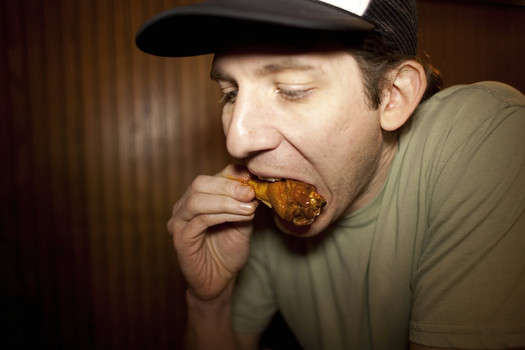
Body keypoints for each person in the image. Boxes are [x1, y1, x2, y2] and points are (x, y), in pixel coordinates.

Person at [136, 0, 525, 349]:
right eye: (231, 93)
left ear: (394, 95)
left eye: (291, 89)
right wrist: (210, 303)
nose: (238, 141)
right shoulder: (260, 220)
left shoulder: (488, 132)